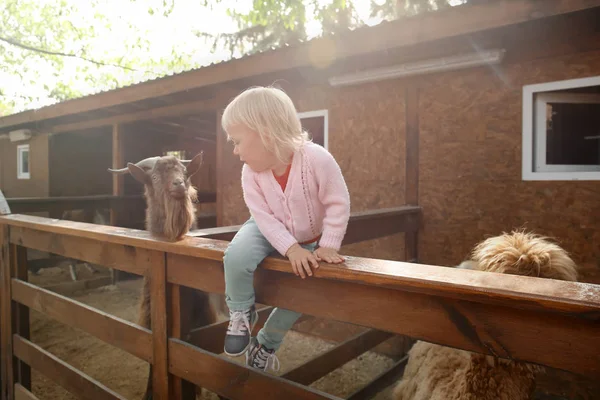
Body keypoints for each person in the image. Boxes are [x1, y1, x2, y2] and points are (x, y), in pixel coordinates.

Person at [220, 85, 351, 372]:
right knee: (236, 256)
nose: (235, 150)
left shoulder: (317, 159)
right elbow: (262, 215)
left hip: (310, 237)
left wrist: (327, 245)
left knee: (300, 294)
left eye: (238, 141)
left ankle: (266, 344)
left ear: (265, 132)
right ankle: (241, 311)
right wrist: (289, 248)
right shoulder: (250, 172)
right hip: (265, 226)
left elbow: (337, 203)